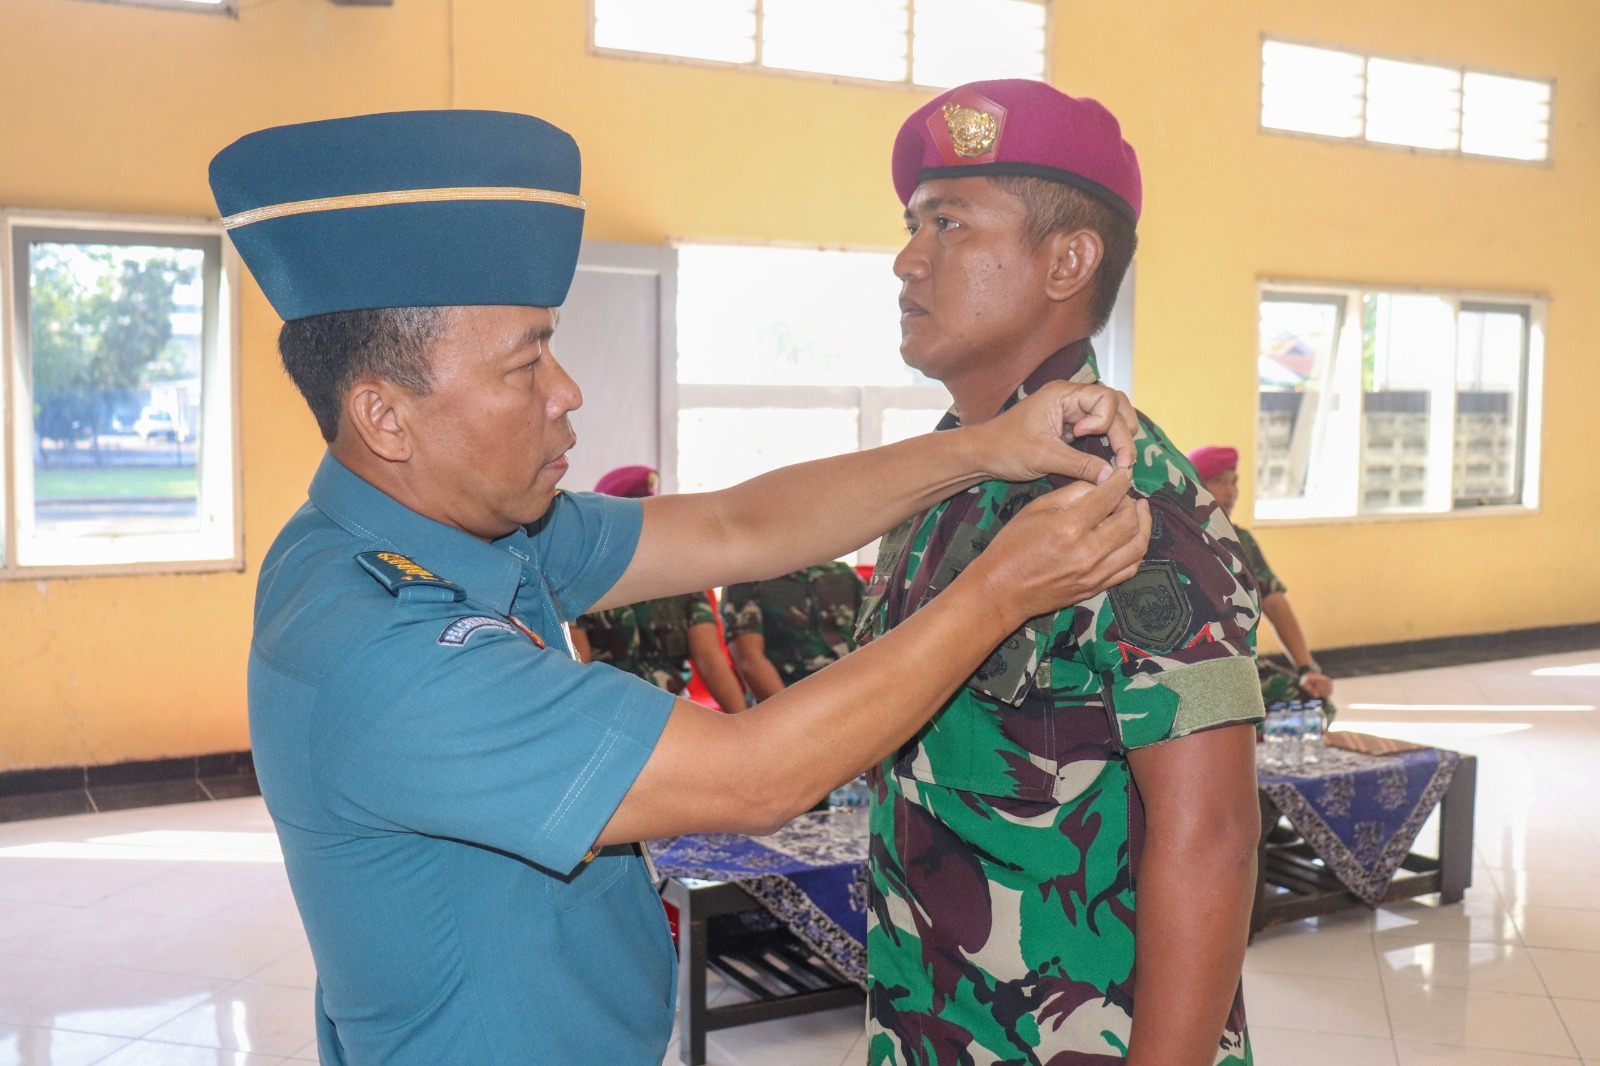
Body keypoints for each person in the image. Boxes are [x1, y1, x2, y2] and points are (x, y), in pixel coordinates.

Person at [210, 109, 1154, 1066]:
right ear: (385, 417)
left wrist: (985, 447)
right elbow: (757, 776)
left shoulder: (451, 527)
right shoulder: (382, 647)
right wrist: (999, 591)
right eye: (525, 364)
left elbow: (734, 526)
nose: (566, 390)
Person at [859, 81, 1264, 1065]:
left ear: (1068, 261)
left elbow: (1210, 835)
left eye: (950, 223)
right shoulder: (944, 483)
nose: (908, 259)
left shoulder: (1123, 498)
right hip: (931, 1022)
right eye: (913, 225)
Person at [571, 465, 749, 712]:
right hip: (609, 713)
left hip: (675, 713)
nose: (639, 529)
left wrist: (744, 721)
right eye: (630, 520)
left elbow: (709, 659)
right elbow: (578, 665)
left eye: (645, 517)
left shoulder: (683, 578)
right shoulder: (580, 580)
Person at [1188, 445, 1336, 714]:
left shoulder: (1240, 541)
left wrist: (1307, 668)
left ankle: (1261, 734)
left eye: (1234, 481)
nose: (1231, 492)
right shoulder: (1174, 539)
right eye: (1219, 481)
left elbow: (1275, 603)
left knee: (1315, 708)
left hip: (1240, 663)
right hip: (1189, 669)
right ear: (1194, 486)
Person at [721, 561, 865, 702]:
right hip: (788, 698)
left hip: (851, 692)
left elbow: (870, 641)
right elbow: (749, 659)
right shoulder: (747, 580)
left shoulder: (843, 573)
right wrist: (796, 713)